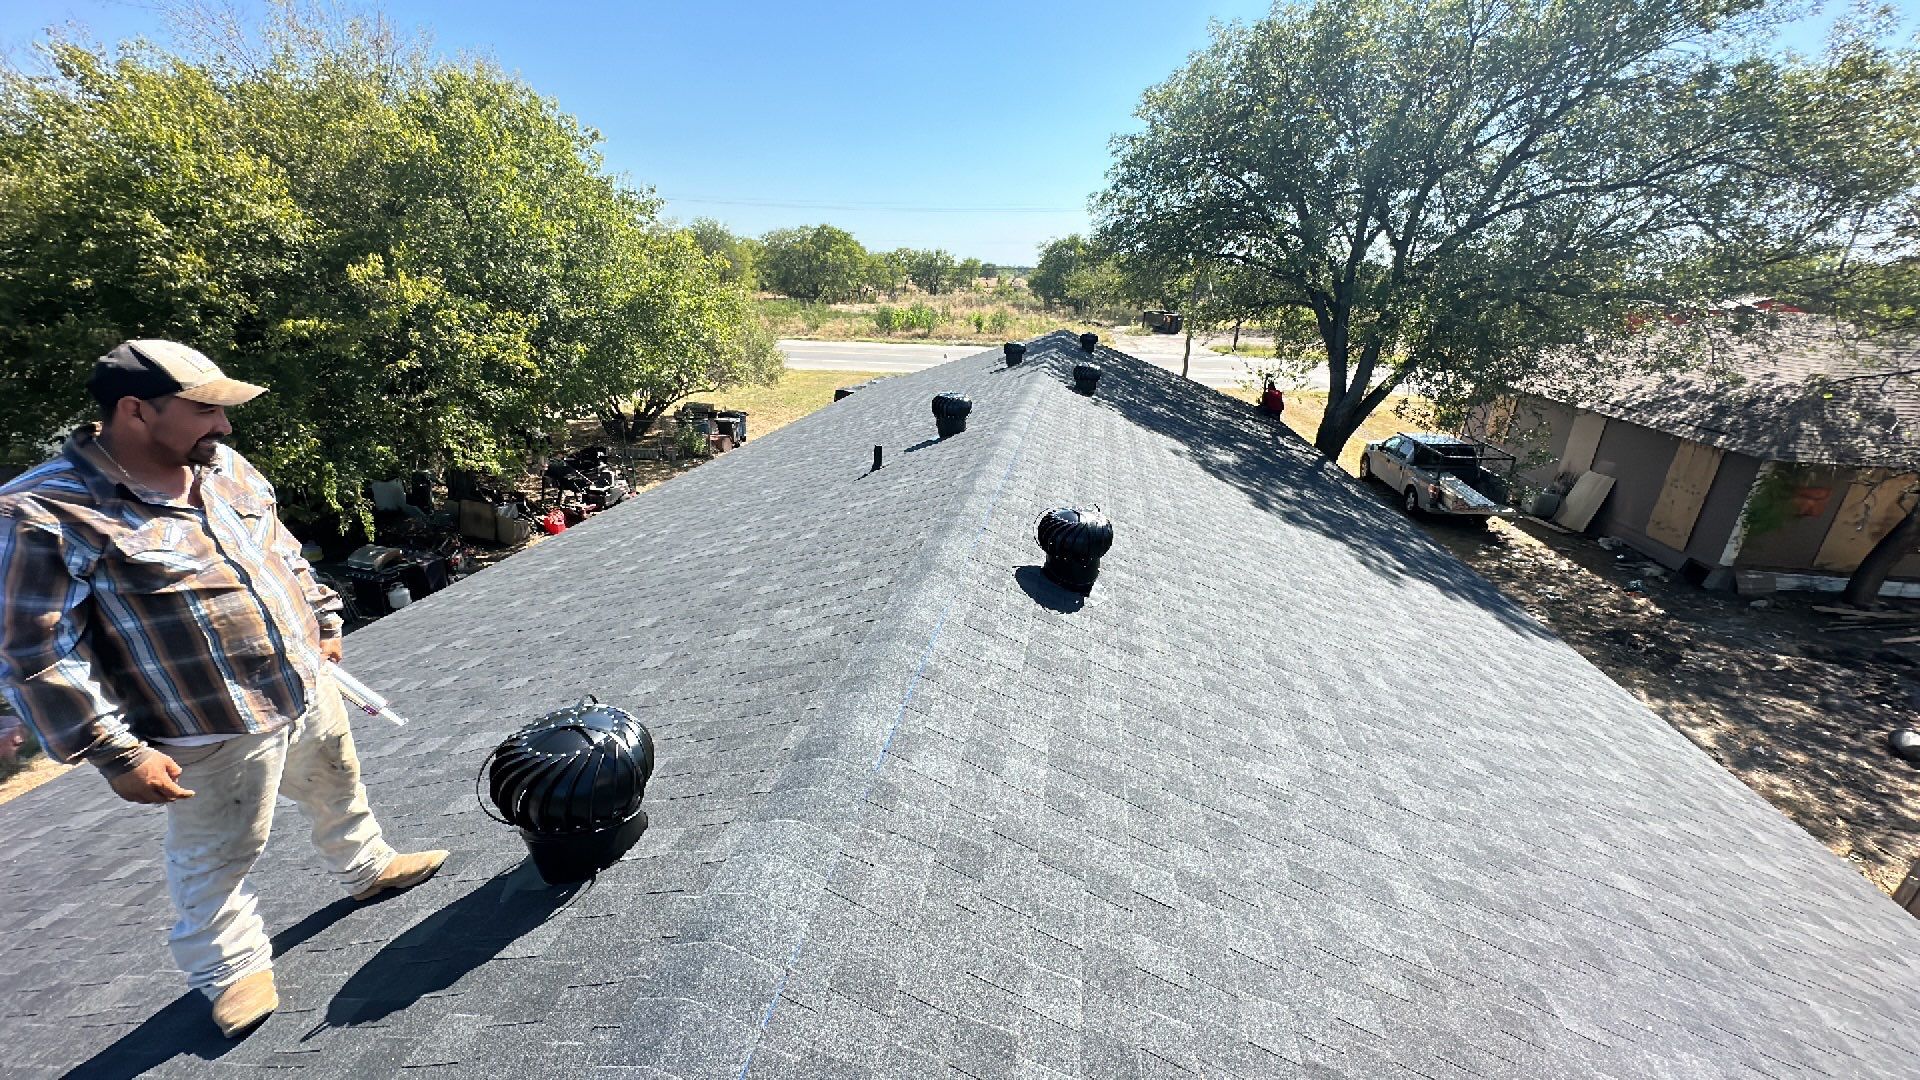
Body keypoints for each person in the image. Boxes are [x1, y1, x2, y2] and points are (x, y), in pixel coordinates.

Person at [0, 340, 448, 1038]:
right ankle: (229, 969)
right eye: (205, 409)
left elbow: (282, 550)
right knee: (217, 853)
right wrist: (114, 752)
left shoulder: (222, 467)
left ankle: (368, 867)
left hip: (303, 683)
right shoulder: (44, 508)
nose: (225, 427)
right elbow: (35, 650)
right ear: (134, 411)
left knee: (337, 782)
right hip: (207, 725)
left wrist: (323, 617)